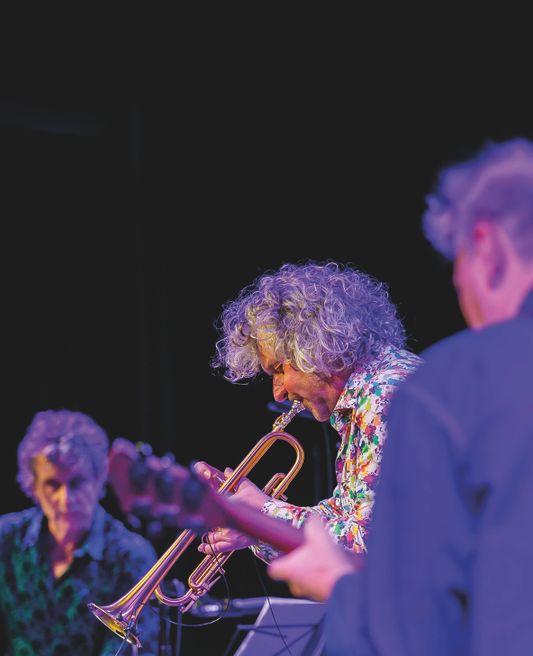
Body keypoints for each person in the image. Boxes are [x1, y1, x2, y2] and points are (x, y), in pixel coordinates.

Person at [267, 137, 533, 656]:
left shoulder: (446, 388)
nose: (460, 287)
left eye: (457, 264)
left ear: (486, 247)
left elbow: (413, 630)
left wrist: (338, 589)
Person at [196, 261, 422, 563]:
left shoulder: (385, 397)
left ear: (317, 348)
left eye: (279, 369)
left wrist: (265, 513)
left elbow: (373, 545)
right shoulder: (370, 394)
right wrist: (254, 524)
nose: (278, 393)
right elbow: (347, 519)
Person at [0, 409, 160, 656]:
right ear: (33, 487)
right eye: (52, 484)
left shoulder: (131, 555)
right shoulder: (5, 538)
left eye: (77, 482)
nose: (65, 499)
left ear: (99, 480)